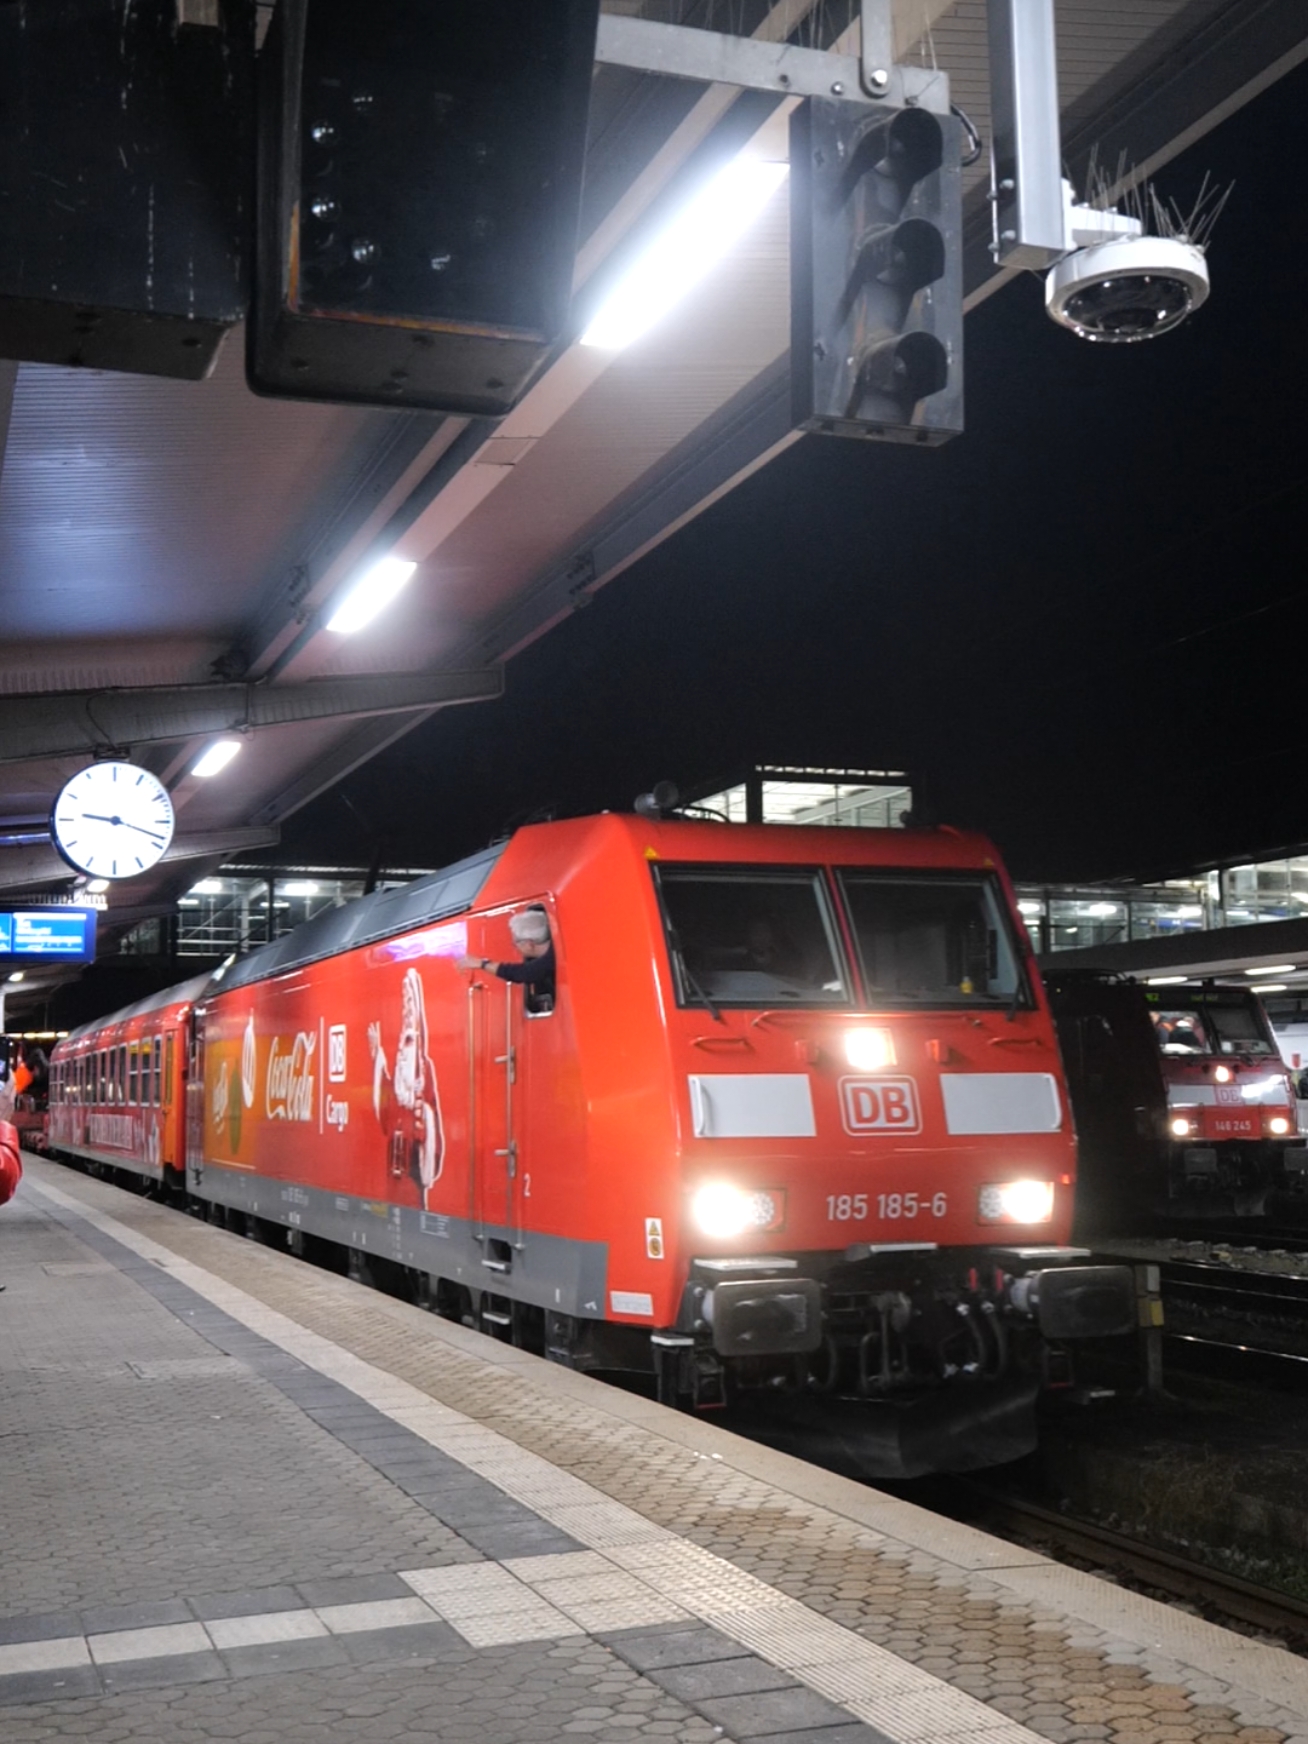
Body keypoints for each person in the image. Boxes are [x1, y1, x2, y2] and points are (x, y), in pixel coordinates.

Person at [458, 907, 555, 1009]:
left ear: (529, 944)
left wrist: (482, 964)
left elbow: (524, 972)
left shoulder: (552, 960)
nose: (514, 947)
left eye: (515, 943)